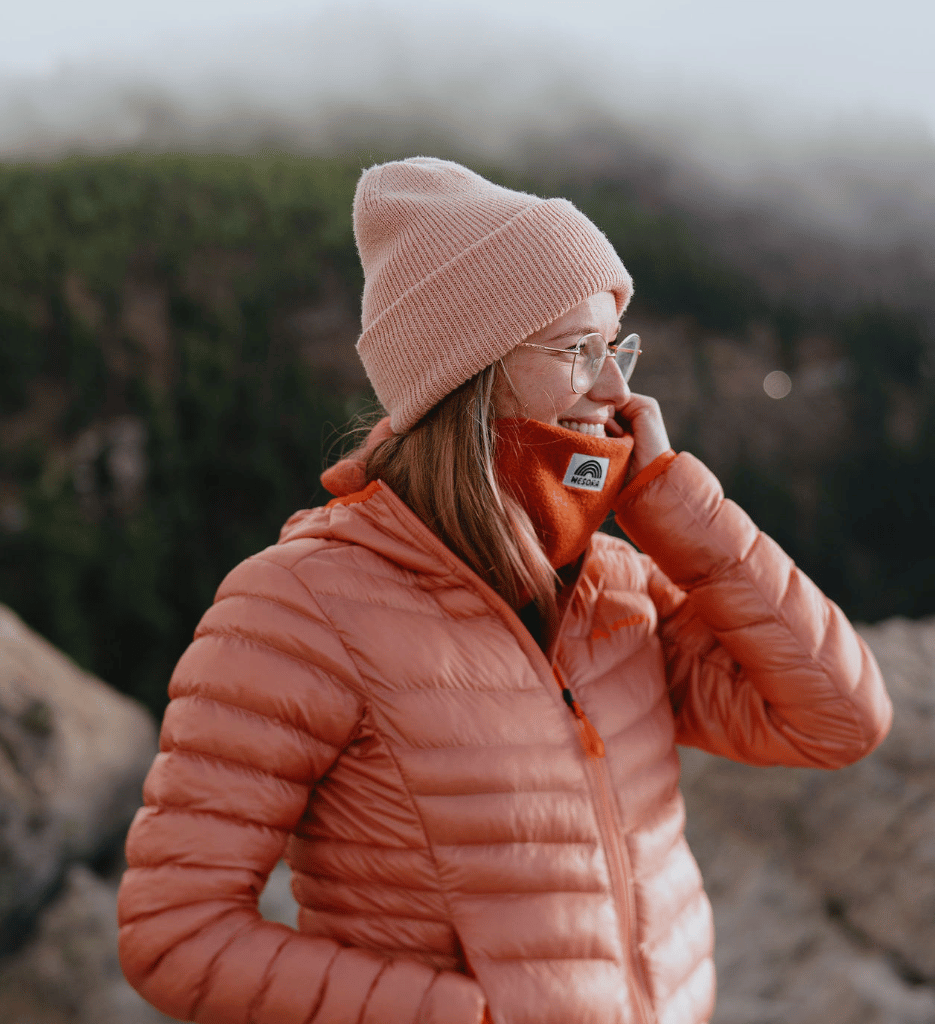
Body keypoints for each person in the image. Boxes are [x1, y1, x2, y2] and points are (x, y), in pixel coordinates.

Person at [117, 157, 892, 1024]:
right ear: (468, 376)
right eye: (577, 352)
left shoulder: (618, 589)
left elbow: (839, 720)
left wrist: (671, 500)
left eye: (617, 349)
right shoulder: (298, 607)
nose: (616, 390)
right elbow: (174, 932)